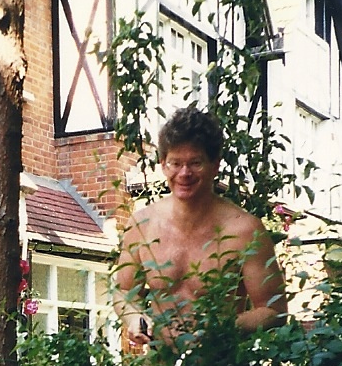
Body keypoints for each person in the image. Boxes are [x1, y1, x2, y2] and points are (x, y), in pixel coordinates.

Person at [114, 106, 287, 350]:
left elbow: (274, 311)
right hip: (157, 363)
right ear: (163, 165)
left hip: (221, 365)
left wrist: (221, 329)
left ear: (215, 165)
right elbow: (123, 291)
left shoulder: (245, 230)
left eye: (195, 163)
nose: (184, 173)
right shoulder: (142, 224)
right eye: (175, 163)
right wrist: (134, 317)